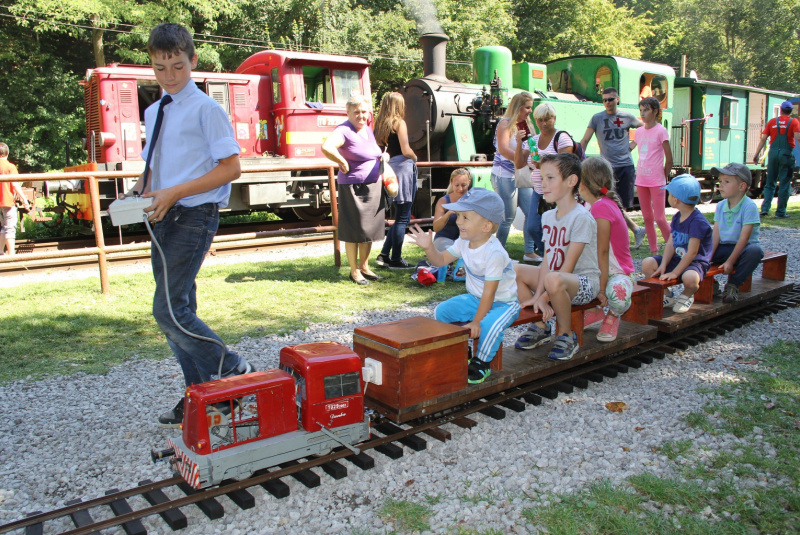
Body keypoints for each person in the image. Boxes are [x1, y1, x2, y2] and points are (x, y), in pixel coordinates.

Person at [124, 24, 254, 427]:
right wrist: (138, 189)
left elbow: (231, 168)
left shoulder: (207, 109)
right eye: (160, 68)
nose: (169, 76)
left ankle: (233, 369)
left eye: (177, 67)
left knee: (168, 311)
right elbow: (156, 167)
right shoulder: (155, 109)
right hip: (162, 215)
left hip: (193, 215)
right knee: (179, 310)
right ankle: (204, 398)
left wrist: (174, 193)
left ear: (193, 61)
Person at [408, 188, 520, 384]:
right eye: (458, 215)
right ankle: (460, 350)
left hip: (503, 303)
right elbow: (441, 260)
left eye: (465, 217)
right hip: (476, 299)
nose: (458, 221)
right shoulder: (464, 242)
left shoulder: (494, 253)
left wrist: (476, 321)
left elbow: (490, 294)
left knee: (489, 326)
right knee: (441, 312)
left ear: (486, 226)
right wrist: (429, 247)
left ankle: (481, 362)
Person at [514, 153, 600, 361]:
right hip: (557, 278)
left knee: (554, 279)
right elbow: (548, 260)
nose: (544, 184)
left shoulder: (581, 217)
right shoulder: (548, 217)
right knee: (513, 269)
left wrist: (545, 295)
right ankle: (541, 325)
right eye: (541, 178)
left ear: (571, 181)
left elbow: (567, 267)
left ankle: (566, 334)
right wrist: (537, 296)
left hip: (583, 282)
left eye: (550, 178)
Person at [322, 94, 388, 285]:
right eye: (356, 112)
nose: (361, 115)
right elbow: (327, 147)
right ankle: (354, 270)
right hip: (353, 186)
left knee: (368, 230)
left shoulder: (367, 129)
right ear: (348, 112)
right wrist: (341, 161)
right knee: (353, 230)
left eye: (364, 112)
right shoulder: (343, 130)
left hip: (373, 184)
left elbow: (371, 152)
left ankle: (365, 267)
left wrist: (384, 157)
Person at [579, 87, 647, 247]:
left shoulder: (626, 117)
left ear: (617, 99)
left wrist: (632, 145)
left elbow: (645, 129)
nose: (607, 103)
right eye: (604, 100)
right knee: (609, 201)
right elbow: (585, 140)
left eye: (610, 99)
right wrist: (579, 158)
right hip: (606, 172)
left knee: (619, 205)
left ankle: (626, 236)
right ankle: (635, 230)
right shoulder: (597, 118)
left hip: (626, 167)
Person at [577, 157, 635, 342]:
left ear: (583, 184)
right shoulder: (595, 205)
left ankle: (613, 315)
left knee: (617, 295)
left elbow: (602, 251)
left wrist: (601, 289)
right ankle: (594, 312)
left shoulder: (601, 207)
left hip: (616, 272)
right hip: (599, 270)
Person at [641, 174, 712, 314]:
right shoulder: (677, 217)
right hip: (677, 259)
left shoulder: (697, 222)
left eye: (669, 193)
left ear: (675, 199)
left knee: (690, 279)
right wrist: (663, 264)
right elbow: (670, 243)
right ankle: (667, 295)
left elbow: (692, 253)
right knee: (647, 263)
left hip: (694, 262)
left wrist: (675, 272)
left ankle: (687, 295)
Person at [513, 102, 574, 262]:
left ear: (554, 118)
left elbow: (565, 165)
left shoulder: (562, 138)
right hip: (539, 191)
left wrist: (543, 165)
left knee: (557, 228)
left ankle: (558, 259)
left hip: (558, 194)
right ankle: (549, 257)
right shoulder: (533, 140)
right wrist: (519, 142)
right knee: (534, 227)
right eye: (540, 120)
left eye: (547, 119)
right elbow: (519, 164)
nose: (544, 123)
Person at [373, 92, 418, 270]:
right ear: (399, 106)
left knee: (398, 216)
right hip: (404, 169)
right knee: (403, 218)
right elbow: (406, 150)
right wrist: (415, 158)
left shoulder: (380, 125)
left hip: (390, 169)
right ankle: (396, 259)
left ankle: (384, 255)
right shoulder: (399, 123)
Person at [709, 163, 764, 303]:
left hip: (744, 248)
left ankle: (733, 284)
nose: (721, 185)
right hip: (725, 247)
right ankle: (710, 283)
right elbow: (715, 236)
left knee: (755, 251)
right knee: (699, 250)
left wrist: (730, 261)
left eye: (726, 182)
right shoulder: (721, 205)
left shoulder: (749, 206)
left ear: (742, 186)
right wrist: (707, 258)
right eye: (720, 181)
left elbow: (744, 239)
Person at [491, 92, 536, 258]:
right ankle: (498, 252)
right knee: (508, 216)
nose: (530, 111)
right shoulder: (505, 124)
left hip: (522, 174)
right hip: (504, 174)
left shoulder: (527, 125)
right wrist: (521, 161)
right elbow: (503, 149)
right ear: (518, 107)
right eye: (527, 107)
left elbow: (531, 147)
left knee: (532, 212)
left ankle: (529, 251)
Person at [630, 97, 673, 253]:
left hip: (657, 181)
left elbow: (669, 158)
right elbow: (631, 147)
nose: (643, 113)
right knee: (647, 217)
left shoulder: (661, 131)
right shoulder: (640, 131)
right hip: (641, 180)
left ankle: (672, 248)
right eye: (641, 110)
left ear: (655, 111)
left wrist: (664, 177)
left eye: (646, 110)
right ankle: (654, 251)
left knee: (660, 218)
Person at [752, 100, 800, 218]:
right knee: (785, 183)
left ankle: (765, 209)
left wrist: (756, 154)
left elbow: (763, 139)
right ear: (790, 111)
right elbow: (798, 138)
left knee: (770, 182)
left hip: (773, 154)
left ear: (781, 110)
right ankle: (780, 212)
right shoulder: (794, 122)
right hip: (787, 155)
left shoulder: (772, 122)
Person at [0, 142, 31, 256]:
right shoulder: (10, 167)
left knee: (3, 227)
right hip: (7, 201)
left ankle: (1, 251)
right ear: (7, 153)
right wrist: (24, 200)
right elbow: (15, 185)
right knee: (10, 228)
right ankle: (11, 255)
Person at [432, 168, 471, 252]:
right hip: (445, 238)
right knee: (448, 251)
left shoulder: (473, 200)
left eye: (463, 185)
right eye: (457, 185)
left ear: (469, 182)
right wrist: (448, 214)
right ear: (451, 183)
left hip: (466, 239)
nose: (460, 189)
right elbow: (436, 228)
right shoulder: (443, 201)